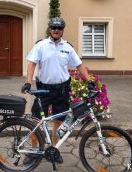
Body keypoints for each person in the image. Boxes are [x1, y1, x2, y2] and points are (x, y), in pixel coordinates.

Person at [21, 17, 95, 165]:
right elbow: (31, 64)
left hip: (61, 90)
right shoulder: (41, 45)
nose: (56, 30)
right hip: (44, 90)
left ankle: (54, 150)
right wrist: (28, 83)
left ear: (62, 30)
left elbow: (79, 65)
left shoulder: (67, 47)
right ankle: (32, 152)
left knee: (58, 122)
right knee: (36, 122)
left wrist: (89, 81)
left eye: (59, 28)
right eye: (53, 27)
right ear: (50, 29)